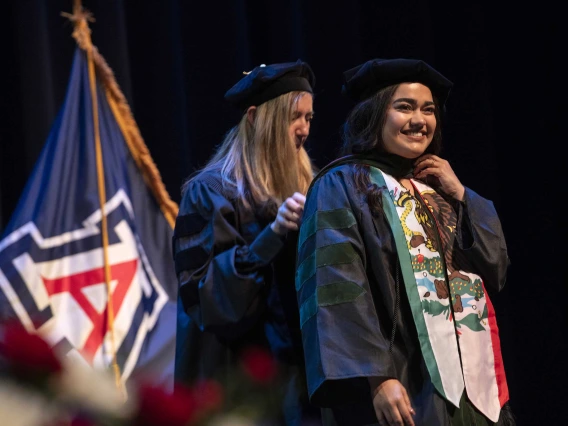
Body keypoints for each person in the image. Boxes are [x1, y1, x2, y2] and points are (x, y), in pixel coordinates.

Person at [295, 58, 515, 426]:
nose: (420, 120)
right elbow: (340, 287)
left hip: (476, 388)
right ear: (374, 115)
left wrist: (462, 196)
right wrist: (377, 376)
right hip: (403, 383)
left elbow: (495, 269)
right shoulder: (343, 185)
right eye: (405, 107)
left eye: (428, 110)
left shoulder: (438, 186)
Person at [172, 60, 322, 426]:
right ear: (255, 117)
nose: (303, 130)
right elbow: (207, 301)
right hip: (234, 383)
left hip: (300, 382)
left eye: (309, 118)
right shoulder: (210, 192)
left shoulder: (311, 187)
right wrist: (269, 239)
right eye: (294, 117)